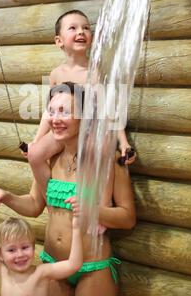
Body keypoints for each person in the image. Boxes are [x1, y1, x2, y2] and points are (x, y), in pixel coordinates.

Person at [0, 82, 136, 296]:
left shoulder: (109, 163)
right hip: (53, 265)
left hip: (93, 269)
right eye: (52, 111)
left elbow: (128, 218)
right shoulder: (50, 160)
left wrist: (92, 211)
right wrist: (7, 197)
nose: (55, 119)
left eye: (65, 112)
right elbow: (35, 205)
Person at [23, 10, 136, 175]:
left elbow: (110, 110)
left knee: (94, 158)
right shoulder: (56, 74)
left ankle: (88, 197)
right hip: (63, 133)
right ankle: (50, 194)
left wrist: (123, 143)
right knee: (35, 155)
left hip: (89, 134)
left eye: (86, 28)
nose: (81, 32)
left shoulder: (97, 73)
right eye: (73, 28)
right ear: (59, 41)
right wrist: (36, 141)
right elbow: (49, 112)